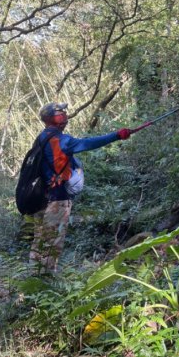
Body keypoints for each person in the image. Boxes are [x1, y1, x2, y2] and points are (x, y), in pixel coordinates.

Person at [29, 102, 132, 274]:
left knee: (41, 240)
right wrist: (117, 135)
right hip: (57, 199)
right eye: (61, 112)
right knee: (52, 241)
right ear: (54, 118)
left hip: (43, 198)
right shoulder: (59, 140)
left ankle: (34, 278)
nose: (65, 115)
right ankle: (45, 282)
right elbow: (88, 143)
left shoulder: (42, 137)